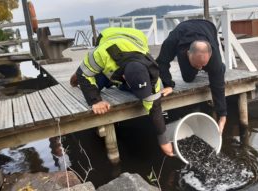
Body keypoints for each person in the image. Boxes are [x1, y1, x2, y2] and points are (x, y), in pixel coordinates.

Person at [71, 27, 174, 157]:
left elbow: (155, 106)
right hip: (107, 37)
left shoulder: (153, 73)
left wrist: (163, 140)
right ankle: (87, 72)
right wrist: (95, 101)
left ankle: (114, 81)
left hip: (136, 37)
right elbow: (83, 75)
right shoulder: (100, 54)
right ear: (125, 78)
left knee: (141, 92)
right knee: (93, 81)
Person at [156, 19, 227, 133]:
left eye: (203, 65)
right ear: (188, 53)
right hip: (183, 31)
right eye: (197, 65)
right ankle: (201, 65)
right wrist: (168, 84)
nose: (200, 68)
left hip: (208, 27)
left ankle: (219, 67)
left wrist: (222, 115)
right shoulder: (173, 40)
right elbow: (161, 62)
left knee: (217, 70)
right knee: (188, 78)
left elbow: (218, 86)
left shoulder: (213, 55)